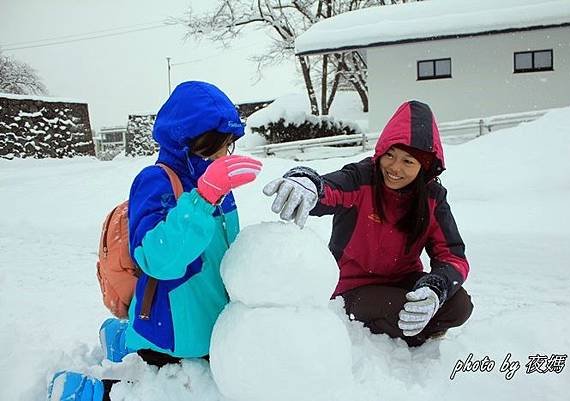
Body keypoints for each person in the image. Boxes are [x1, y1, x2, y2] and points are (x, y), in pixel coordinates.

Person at [47, 81, 262, 401]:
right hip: (175, 329)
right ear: (188, 142)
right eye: (215, 146)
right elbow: (157, 259)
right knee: (178, 392)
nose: (222, 156)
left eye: (227, 146)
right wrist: (203, 199)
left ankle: (122, 338)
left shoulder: (218, 184)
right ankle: (84, 391)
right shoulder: (156, 181)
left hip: (209, 318)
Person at [263, 100, 473, 347]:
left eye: (408, 161)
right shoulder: (362, 178)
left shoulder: (432, 198)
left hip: (401, 281)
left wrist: (436, 288)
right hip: (351, 289)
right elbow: (330, 190)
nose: (394, 168)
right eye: (390, 155)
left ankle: (412, 329)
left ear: (424, 167)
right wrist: (309, 181)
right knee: (398, 309)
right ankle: (411, 333)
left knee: (459, 305)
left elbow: (452, 257)